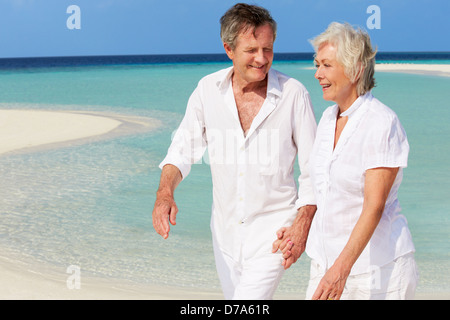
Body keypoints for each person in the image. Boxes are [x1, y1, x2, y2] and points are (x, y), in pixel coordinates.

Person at [152, 3, 317, 300]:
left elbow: (314, 170)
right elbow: (181, 151)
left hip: (275, 234)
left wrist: (302, 225)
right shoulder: (207, 90)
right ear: (228, 49)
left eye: (268, 49)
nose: (261, 58)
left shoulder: (294, 94)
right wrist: (165, 193)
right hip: (224, 236)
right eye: (252, 50)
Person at [277, 22, 418, 300]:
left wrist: (340, 270)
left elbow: (373, 207)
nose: (317, 74)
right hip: (326, 267)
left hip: (377, 273)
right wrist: (299, 226)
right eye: (317, 65)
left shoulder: (381, 122)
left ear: (355, 69)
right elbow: (320, 188)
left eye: (326, 65)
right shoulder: (329, 118)